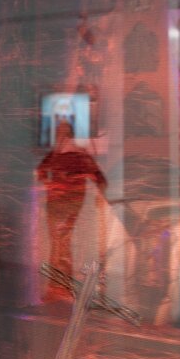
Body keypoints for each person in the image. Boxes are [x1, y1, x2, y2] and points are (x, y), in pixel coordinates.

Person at [36, 121, 106, 302]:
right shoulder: (67, 155)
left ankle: (60, 287)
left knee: (62, 243)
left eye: (62, 132)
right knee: (61, 243)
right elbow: (100, 180)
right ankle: (59, 287)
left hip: (64, 205)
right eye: (59, 132)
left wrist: (51, 185)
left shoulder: (64, 155)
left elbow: (40, 173)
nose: (60, 136)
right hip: (62, 205)